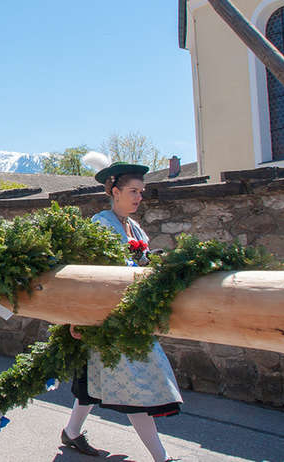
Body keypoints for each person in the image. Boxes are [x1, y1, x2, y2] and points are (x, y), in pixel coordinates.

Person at [62, 159, 182, 462]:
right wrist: (77, 317)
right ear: (114, 191)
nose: (139, 197)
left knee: (95, 383)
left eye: (141, 192)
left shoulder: (135, 226)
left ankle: (71, 432)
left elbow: (138, 266)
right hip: (109, 320)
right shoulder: (100, 225)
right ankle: (162, 458)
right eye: (133, 191)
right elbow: (88, 275)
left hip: (129, 318)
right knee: (134, 388)